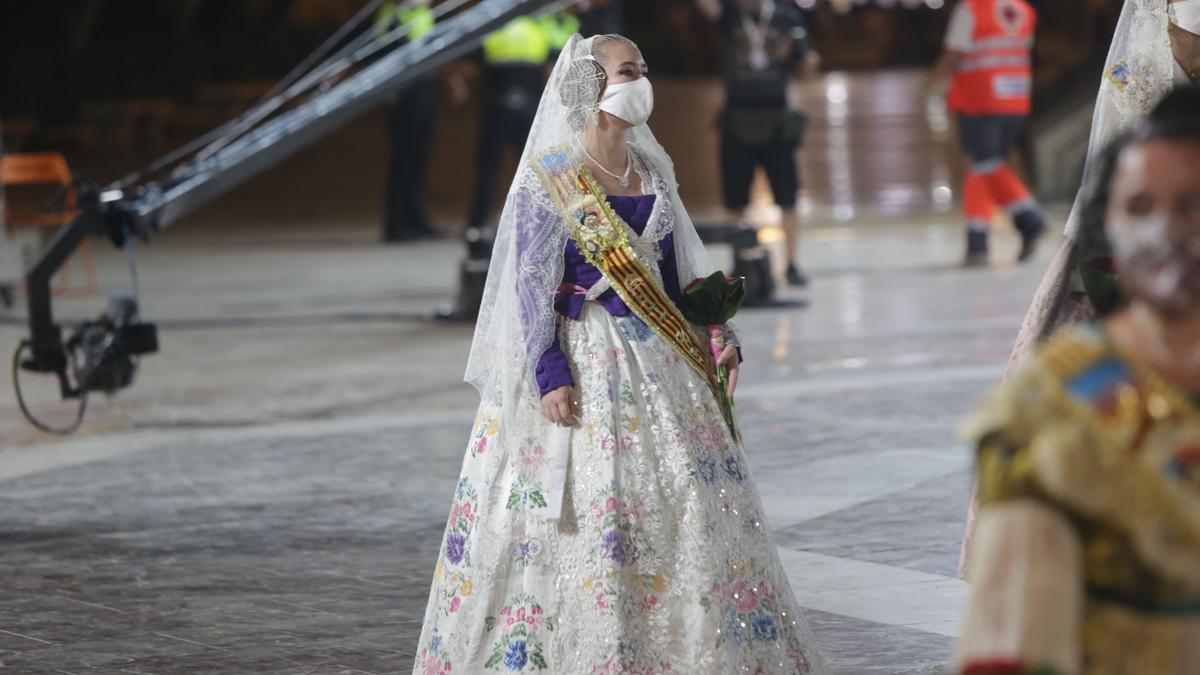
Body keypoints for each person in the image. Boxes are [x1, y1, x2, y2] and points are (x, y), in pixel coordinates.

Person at [412, 34, 827, 673]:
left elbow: (678, 271)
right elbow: (530, 290)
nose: (642, 80)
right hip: (585, 360)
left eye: (642, 68)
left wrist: (719, 329)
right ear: (590, 88)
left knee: (685, 502)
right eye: (628, 71)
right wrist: (549, 373)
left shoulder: (652, 170)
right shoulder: (550, 178)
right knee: (584, 512)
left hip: (660, 360)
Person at [954, 87, 1200, 675]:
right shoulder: (1049, 412)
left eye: (1193, 204)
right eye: (1139, 208)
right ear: (1105, 228)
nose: (1166, 231)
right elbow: (1012, 640)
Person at [697, 0, 813, 287]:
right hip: (737, 116)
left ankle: (792, 263)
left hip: (776, 117)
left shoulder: (786, 16)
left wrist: (799, 58)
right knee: (735, 198)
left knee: (787, 196)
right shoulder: (729, 13)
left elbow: (809, 63)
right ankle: (740, 259)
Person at [929, 0, 1046, 266]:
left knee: (986, 164)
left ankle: (1030, 219)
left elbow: (955, 54)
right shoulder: (1023, 10)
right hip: (1015, 98)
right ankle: (977, 241)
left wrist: (932, 81)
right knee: (982, 168)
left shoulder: (971, 10)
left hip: (979, 99)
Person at [465, 16, 555, 231]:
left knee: (488, 169)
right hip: (529, 110)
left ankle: (477, 224)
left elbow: (471, 66)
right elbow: (551, 70)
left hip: (496, 108)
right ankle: (533, 222)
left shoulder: (492, 27)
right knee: (530, 169)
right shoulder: (538, 28)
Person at [378, 0, 439, 242]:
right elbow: (383, 51)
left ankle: (416, 218)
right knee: (403, 159)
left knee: (419, 157)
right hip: (404, 92)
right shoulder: (392, 14)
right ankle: (396, 224)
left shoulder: (424, 12)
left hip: (424, 87)